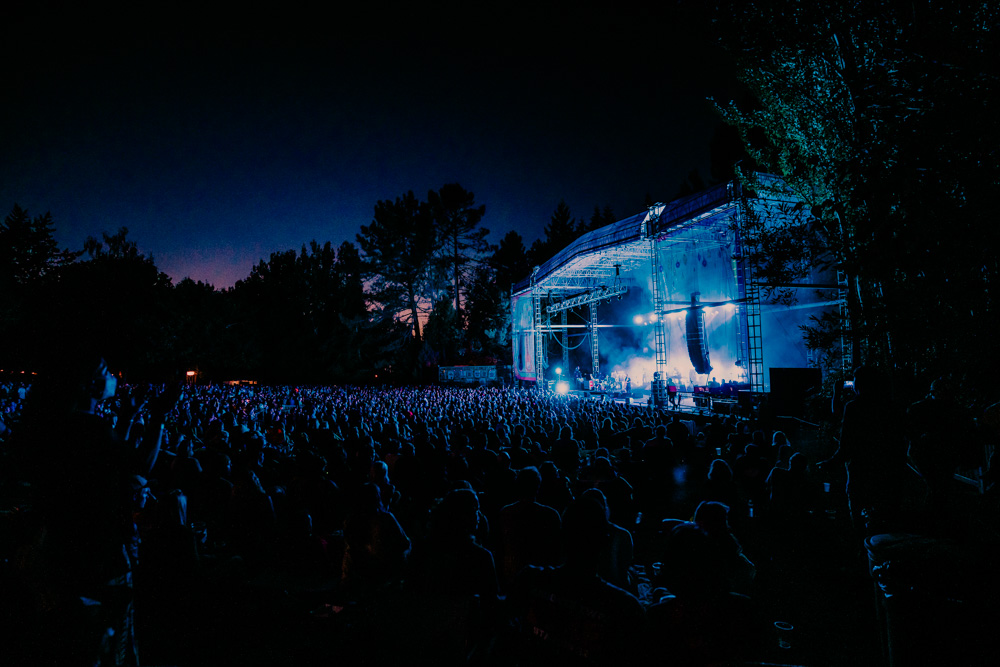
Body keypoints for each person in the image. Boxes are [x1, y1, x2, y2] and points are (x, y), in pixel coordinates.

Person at [14, 354, 182, 666]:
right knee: (106, 646)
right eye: (107, 371)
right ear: (89, 384)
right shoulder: (91, 430)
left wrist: (128, 418)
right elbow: (138, 468)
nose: (114, 376)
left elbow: (105, 464)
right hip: (101, 557)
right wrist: (158, 415)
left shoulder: (59, 428)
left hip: (64, 549)